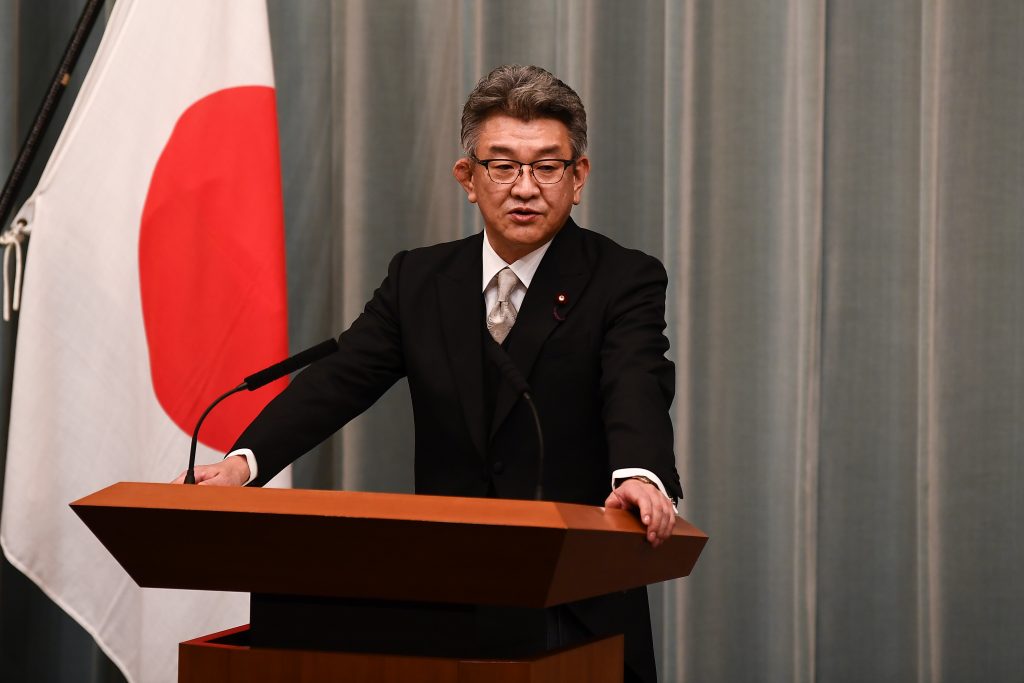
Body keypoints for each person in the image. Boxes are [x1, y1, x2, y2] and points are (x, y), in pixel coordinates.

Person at [176, 64, 683, 683]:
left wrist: (639, 473)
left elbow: (635, 380)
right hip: (448, 600)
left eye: (547, 166)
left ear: (579, 178)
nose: (525, 187)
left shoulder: (622, 278)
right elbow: (340, 380)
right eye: (502, 165)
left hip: (574, 603)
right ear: (467, 178)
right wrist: (243, 464)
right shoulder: (420, 279)